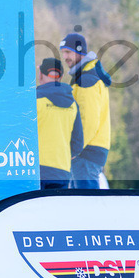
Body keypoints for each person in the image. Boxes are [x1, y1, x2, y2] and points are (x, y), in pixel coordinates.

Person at [60, 31, 112, 188]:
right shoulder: (83, 77)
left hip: (86, 152)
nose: (65, 57)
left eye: (68, 52)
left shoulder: (87, 79)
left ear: (80, 51)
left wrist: (74, 150)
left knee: (86, 204)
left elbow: (88, 120)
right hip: (88, 151)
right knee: (82, 204)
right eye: (63, 53)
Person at [36, 57, 83, 190]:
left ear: (40, 74)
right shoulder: (73, 104)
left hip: (37, 171)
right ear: (61, 76)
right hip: (62, 172)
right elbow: (78, 144)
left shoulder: (35, 100)